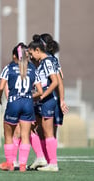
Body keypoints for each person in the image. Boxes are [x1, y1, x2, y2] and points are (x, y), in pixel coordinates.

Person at [0, 43, 43, 172]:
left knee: (8, 135)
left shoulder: (9, 68)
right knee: (25, 136)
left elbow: (1, 87)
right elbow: (39, 91)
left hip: (13, 103)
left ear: (14, 56)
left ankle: (10, 163)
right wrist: (28, 96)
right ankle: (23, 165)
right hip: (28, 104)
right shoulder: (33, 69)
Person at [28, 33, 69, 170]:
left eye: (31, 53)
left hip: (48, 100)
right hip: (44, 100)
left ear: (38, 50)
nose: (30, 56)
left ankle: (52, 163)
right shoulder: (45, 61)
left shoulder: (47, 61)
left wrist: (43, 95)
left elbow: (57, 81)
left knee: (48, 132)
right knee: (39, 130)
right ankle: (44, 159)